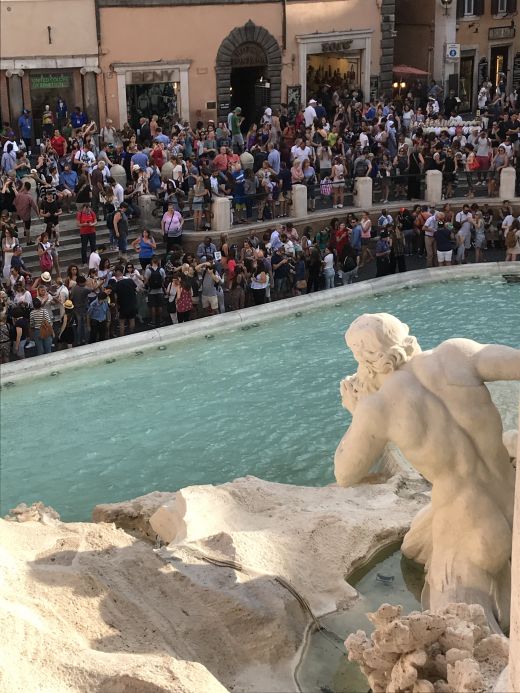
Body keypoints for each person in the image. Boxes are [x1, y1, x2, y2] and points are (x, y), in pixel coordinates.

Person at [334, 313, 520, 632]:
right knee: (413, 545)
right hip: (511, 495)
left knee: (461, 644)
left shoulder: (378, 408)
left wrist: (357, 413)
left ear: (364, 359)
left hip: (470, 529)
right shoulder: (456, 354)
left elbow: (345, 474)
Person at [111, 265, 137, 336]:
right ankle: (132, 335)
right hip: (132, 303)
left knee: (122, 322)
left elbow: (115, 296)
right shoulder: (130, 280)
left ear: (117, 273)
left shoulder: (117, 284)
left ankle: (122, 337)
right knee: (132, 319)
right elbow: (136, 290)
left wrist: (116, 306)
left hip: (122, 305)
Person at [144, 256, 166, 327]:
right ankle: (160, 320)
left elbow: (146, 281)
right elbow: (163, 280)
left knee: (152, 307)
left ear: (152, 262)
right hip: (160, 291)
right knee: (160, 306)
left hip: (151, 291)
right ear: (158, 262)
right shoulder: (161, 270)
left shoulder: (148, 270)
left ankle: (153, 321)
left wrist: (147, 285)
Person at [70, 275, 90, 345]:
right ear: (80, 283)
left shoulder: (74, 288)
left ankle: (78, 340)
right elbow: (93, 289)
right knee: (84, 325)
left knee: (78, 325)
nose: (85, 283)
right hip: (83, 310)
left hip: (76, 309)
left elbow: (71, 298)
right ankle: (85, 340)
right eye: (84, 282)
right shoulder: (84, 289)